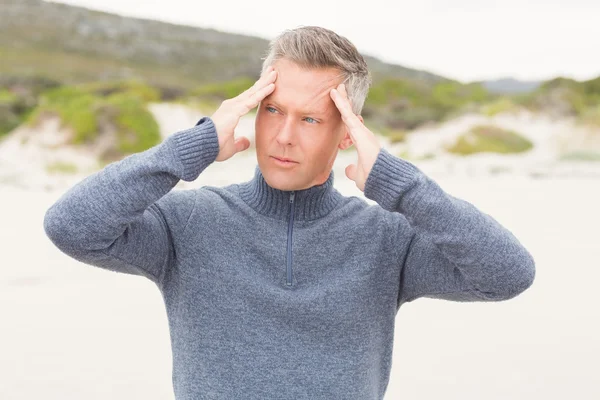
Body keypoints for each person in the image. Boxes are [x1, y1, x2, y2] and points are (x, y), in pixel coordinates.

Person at [43, 26, 535, 400]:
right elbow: (70, 226)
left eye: (311, 119)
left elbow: (508, 274)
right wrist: (190, 148)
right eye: (273, 110)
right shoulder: (188, 223)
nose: (282, 136)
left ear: (347, 134)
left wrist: (400, 185)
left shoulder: (387, 239)